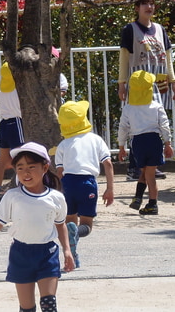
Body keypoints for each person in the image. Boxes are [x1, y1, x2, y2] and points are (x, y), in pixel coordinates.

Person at [0, 142, 74, 312]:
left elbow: (60, 225)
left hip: (47, 253)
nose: (25, 172)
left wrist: (67, 250)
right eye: (20, 168)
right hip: (21, 254)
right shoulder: (12, 196)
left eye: (31, 167)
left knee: (49, 304)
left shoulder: (56, 198)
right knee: (27, 308)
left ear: (44, 168)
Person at [118, 0, 175, 180]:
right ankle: (134, 167)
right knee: (136, 122)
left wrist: (173, 82)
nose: (149, 7)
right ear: (137, 7)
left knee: (155, 121)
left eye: (152, 3)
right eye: (145, 3)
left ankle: (152, 164)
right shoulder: (130, 30)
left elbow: (168, 57)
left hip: (158, 80)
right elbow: (124, 58)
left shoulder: (160, 29)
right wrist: (122, 84)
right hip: (138, 82)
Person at [54, 100, 115, 267]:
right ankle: (77, 236)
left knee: (69, 223)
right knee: (86, 225)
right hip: (87, 182)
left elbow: (59, 173)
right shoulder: (96, 140)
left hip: (68, 183)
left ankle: (72, 256)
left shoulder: (63, 145)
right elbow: (108, 163)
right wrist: (110, 189)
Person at [118, 71, 173, 215]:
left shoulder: (128, 108)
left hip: (138, 142)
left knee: (146, 173)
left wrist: (121, 146)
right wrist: (168, 143)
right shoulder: (156, 106)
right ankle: (150, 203)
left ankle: (141, 199)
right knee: (150, 174)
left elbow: (123, 127)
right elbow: (164, 124)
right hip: (154, 140)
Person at [0, 61, 24, 197]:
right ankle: (22, 185)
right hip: (16, 121)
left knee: (2, 159)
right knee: (21, 156)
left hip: (4, 124)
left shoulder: (2, 89)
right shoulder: (17, 89)